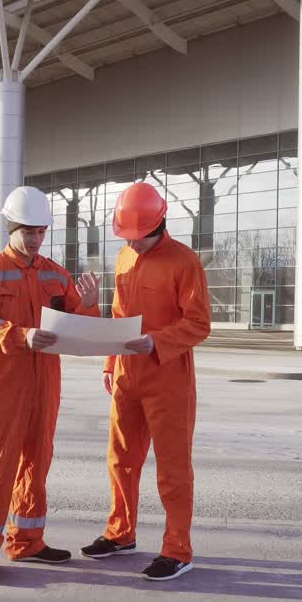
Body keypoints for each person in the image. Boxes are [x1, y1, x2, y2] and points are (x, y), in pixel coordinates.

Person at [0, 186, 101, 584]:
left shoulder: (56, 274)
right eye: (29, 231)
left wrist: (90, 303)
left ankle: (27, 541)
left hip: (45, 382)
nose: (36, 238)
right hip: (2, 382)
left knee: (36, 463)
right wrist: (20, 336)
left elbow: (78, 324)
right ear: (11, 228)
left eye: (41, 231)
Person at [80, 182, 211, 581]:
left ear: (160, 223)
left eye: (139, 239)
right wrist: (109, 363)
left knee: (172, 469)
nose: (133, 245)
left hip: (168, 376)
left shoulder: (184, 262)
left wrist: (157, 340)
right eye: (127, 238)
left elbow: (198, 323)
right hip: (126, 376)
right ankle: (121, 533)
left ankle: (177, 549)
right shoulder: (123, 258)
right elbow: (120, 316)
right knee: (121, 460)